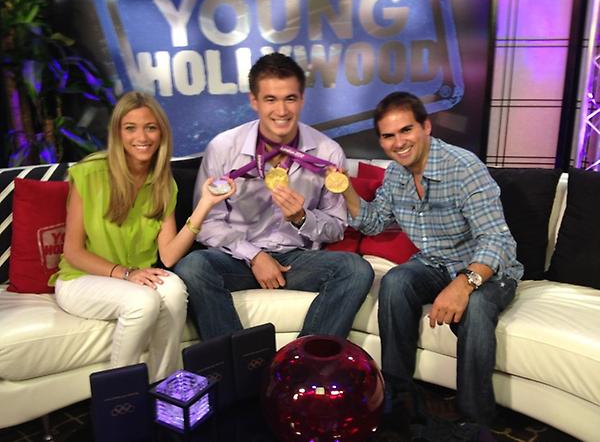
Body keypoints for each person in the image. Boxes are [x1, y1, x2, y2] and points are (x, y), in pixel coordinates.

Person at [338, 91, 523, 427]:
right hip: (434, 262)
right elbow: (374, 222)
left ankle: (474, 421)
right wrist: (345, 189)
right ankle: (399, 398)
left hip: (487, 269)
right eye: (388, 136)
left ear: (426, 126)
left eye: (406, 130)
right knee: (395, 282)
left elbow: (497, 239)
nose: (398, 143)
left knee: (476, 307)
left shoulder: (464, 167)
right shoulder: (395, 175)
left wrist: (463, 284)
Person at [174, 53, 374, 340]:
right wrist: (254, 256)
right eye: (270, 99)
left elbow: (336, 227)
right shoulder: (224, 147)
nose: (281, 110)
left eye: (290, 98)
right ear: (254, 101)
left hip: (296, 260)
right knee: (192, 266)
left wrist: (302, 218)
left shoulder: (327, 151)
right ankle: (239, 358)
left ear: (302, 100)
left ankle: (303, 358)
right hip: (237, 259)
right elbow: (207, 222)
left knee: (356, 270)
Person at [51, 91, 235, 382]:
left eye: (150, 127)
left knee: (174, 291)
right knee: (143, 302)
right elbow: (73, 252)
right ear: (118, 133)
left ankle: (166, 385)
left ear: (161, 133)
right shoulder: (89, 173)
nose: (142, 137)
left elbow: (169, 256)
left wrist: (205, 205)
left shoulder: (163, 184)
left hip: (135, 277)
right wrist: (126, 273)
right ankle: (121, 394)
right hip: (81, 279)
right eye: (130, 128)